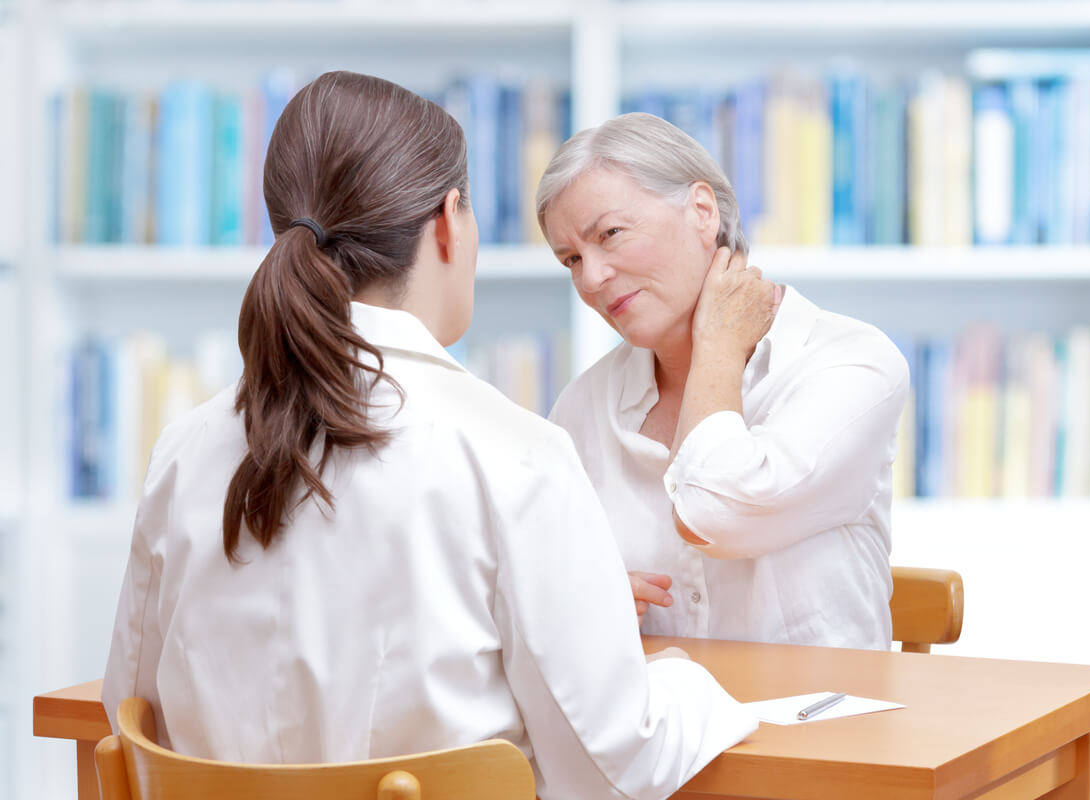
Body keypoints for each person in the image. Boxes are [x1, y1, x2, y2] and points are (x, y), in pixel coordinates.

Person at [102, 73, 756, 800]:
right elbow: (613, 768)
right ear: (449, 220)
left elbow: (127, 721)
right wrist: (689, 686)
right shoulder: (515, 454)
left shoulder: (186, 449)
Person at [537, 112, 909, 649]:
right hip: (663, 726)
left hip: (823, 723)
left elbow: (712, 514)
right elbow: (543, 585)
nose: (590, 279)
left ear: (703, 211)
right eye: (571, 258)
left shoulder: (851, 363)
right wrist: (584, 600)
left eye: (611, 234)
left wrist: (716, 347)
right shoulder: (583, 407)